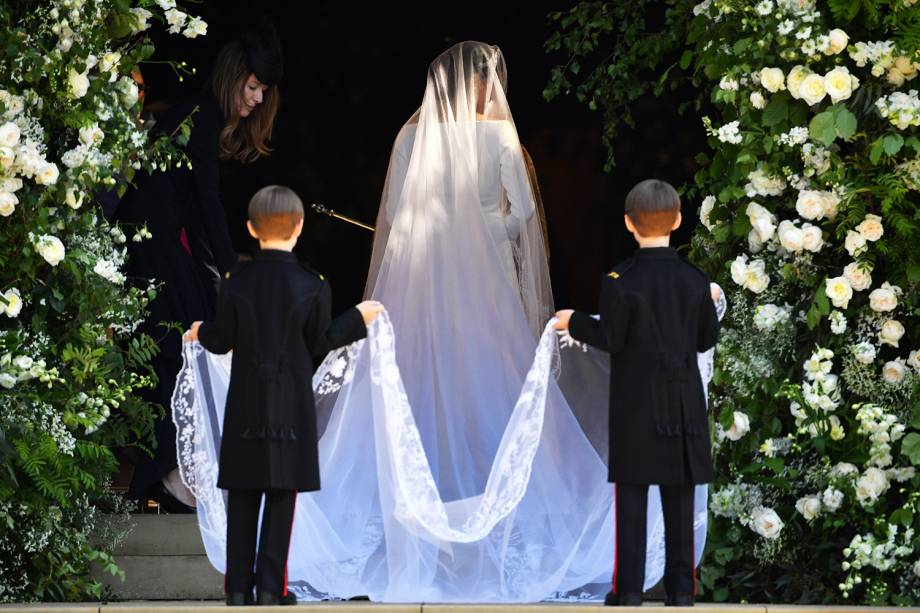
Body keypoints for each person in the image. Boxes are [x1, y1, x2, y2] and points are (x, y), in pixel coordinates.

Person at [184, 185, 383, 605]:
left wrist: (201, 330)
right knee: (280, 499)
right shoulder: (313, 284)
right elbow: (322, 341)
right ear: (300, 227)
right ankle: (272, 588)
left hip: (245, 409)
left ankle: (238, 588)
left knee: (241, 495)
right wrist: (358, 318)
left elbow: (221, 341)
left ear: (251, 228)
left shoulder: (235, 282)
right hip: (290, 410)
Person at [116, 19, 283, 511]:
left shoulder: (199, 113)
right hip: (155, 252)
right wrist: (229, 270)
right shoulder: (202, 113)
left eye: (262, 91)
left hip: (161, 250)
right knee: (178, 354)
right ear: (235, 77)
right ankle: (167, 478)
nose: (255, 99)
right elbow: (205, 202)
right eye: (252, 87)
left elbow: (196, 207)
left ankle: (168, 475)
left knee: (180, 354)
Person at [554, 179, 721, 607]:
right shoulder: (695, 280)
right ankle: (682, 592)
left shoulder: (619, 280)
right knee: (679, 500)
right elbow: (705, 339)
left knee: (632, 498)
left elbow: (611, 336)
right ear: (679, 220)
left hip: (635, 407)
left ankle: (628, 591)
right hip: (683, 404)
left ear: (629, 224)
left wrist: (572, 320)